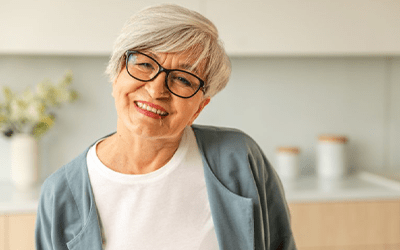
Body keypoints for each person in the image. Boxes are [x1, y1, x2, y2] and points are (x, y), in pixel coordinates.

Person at [35, 4, 296, 250]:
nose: (156, 89)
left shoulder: (239, 159)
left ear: (200, 107)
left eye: (183, 78)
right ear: (116, 74)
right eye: (145, 64)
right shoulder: (60, 193)